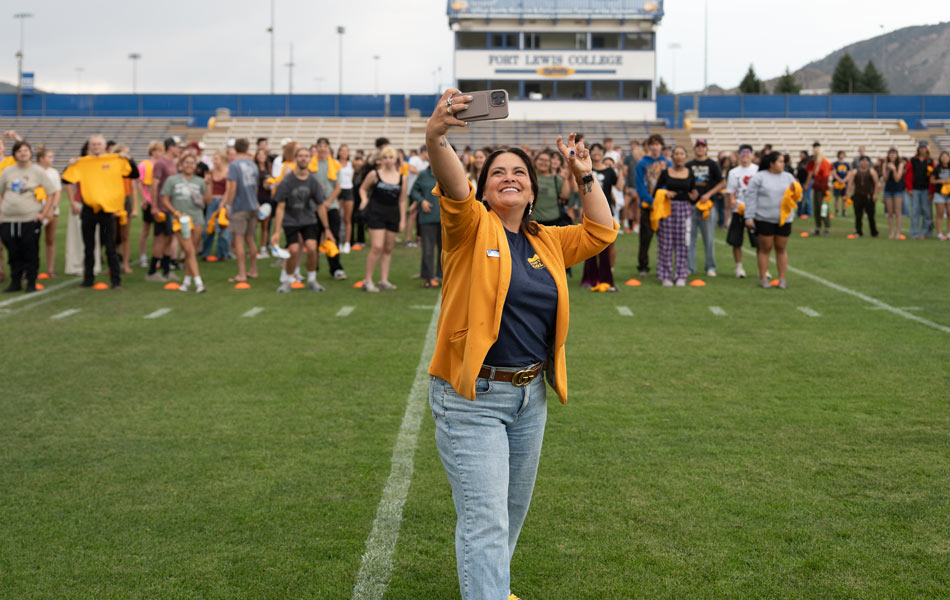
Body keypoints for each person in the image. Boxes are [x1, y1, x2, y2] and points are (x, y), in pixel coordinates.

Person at [425, 89, 616, 600]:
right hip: (473, 398)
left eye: (520, 173)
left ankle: (492, 587)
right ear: (484, 189)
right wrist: (437, 135)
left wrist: (585, 174)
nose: (509, 178)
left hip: (530, 397)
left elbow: (602, 231)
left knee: (507, 514)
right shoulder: (469, 226)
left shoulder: (545, 239)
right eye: (498, 173)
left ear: (533, 191)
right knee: (485, 519)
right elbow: (451, 183)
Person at [62, 135, 138, 289]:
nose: (96, 146)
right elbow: (66, 179)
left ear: (104, 146)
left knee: (110, 247)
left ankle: (116, 281)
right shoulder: (83, 163)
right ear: (89, 146)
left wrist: (129, 159)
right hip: (89, 210)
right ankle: (87, 280)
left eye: (98, 144)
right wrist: (69, 165)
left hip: (108, 210)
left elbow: (134, 174)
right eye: (93, 144)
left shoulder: (114, 160)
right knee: (88, 247)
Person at [270, 146, 332, 293]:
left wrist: (327, 229)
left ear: (310, 159)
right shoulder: (287, 181)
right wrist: (277, 232)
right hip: (291, 221)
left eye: (306, 156)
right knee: (293, 249)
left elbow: (321, 206)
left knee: (311, 247)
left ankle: (312, 279)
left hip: (308, 220)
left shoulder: (313, 181)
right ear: (296, 159)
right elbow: (280, 207)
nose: (303, 158)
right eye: (300, 156)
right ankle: (288, 279)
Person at [0, 140, 56, 292]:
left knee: (30, 250)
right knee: (13, 251)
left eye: (26, 150)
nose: (23, 153)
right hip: (8, 219)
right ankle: (15, 282)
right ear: (15, 154)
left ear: (30, 153)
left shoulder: (37, 171)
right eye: (19, 151)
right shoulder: (7, 171)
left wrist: (44, 213)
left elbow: (51, 192)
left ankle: (31, 282)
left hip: (30, 219)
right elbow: (1, 192)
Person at [743, 151, 800, 289]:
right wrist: (749, 217)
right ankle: (763, 278)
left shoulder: (788, 177)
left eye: (783, 161)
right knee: (765, 248)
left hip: (784, 219)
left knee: (781, 248)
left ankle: (782, 279)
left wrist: (796, 189)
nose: (783, 164)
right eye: (780, 161)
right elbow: (750, 197)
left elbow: (797, 195)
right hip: (764, 218)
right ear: (771, 164)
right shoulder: (759, 177)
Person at [358, 146, 406, 291]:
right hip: (376, 213)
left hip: (393, 214)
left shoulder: (402, 178)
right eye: (385, 157)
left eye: (390, 157)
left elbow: (402, 200)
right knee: (377, 247)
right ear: (381, 159)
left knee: (388, 248)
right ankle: (368, 281)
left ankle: (384, 280)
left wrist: (402, 220)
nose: (388, 160)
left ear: (395, 159)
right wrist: (364, 200)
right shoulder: (374, 174)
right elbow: (362, 188)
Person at [160, 154, 209, 292]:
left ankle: (186, 282)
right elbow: (165, 199)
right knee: (189, 249)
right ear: (181, 165)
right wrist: (175, 213)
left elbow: (207, 201)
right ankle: (199, 282)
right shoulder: (172, 180)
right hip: (180, 220)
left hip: (197, 219)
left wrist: (209, 184)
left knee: (190, 251)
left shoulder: (200, 181)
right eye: (186, 162)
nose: (189, 165)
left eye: (192, 163)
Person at [653, 146, 698, 286]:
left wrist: (695, 197)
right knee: (665, 244)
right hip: (668, 209)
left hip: (685, 210)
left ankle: (680, 275)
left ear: (685, 157)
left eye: (681, 153)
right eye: (676, 154)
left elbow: (693, 193)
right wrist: (665, 193)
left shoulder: (690, 173)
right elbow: (656, 191)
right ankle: (665, 275)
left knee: (683, 244)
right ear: (672, 157)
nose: (679, 156)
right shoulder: (666, 173)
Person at [581, 143, 619, 291]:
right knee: (589, 244)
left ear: (604, 153)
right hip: (589, 210)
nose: (596, 152)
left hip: (607, 211)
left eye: (599, 150)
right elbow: (582, 190)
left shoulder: (610, 171)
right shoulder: (586, 169)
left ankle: (605, 277)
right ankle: (589, 278)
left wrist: (620, 170)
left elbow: (619, 187)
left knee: (606, 244)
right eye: (594, 150)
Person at [222, 138, 261, 283]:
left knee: (238, 239)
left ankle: (242, 274)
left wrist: (228, 205)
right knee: (250, 239)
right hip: (252, 204)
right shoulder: (253, 165)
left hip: (239, 206)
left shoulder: (234, 165)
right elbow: (256, 186)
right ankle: (254, 270)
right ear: (247, 148)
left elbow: (232, 187)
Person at [634, 134, 670, 278]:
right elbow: (639, 185)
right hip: (647, 206)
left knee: (665, 239)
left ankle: (663, 266)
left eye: (658, 144)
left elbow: (670, 182)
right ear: (648, 146)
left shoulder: (668, 163)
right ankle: (643, 266)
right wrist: (650, 200)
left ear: (661, 146)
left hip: (663, 207)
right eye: (652, 144)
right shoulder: (642, 163)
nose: (655, 147)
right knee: (645, 238)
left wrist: (661, 200)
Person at [686, 138, 723, 277]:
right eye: (698, 146)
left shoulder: (712, 165)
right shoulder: (689, 165)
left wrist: (708, 194)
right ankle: (690, 267)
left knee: (709, 239)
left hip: (708, 206)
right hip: (692, 206)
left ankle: (710, 266)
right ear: (695, 148)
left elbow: (721, 183)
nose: (700, 149)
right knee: (690, 239)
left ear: (706, 148)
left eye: (703, 146)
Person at [146, 138, 181, 282]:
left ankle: (166, 271)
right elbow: (154, 185)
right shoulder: (161, 163)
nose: (179, 149)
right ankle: (152, 272)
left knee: (170, 238)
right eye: (177, 147)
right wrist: (154, 206)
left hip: (171, 208)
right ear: (171, 147)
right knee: (161, 239)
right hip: (162, 207)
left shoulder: (173, 163)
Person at [725, 144, 759, 278]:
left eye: (748, 152)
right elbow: (731, 191)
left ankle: (762, 268)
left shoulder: (758, 170)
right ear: (738, 154)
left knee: (759, 242)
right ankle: (739, 267)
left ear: (752, 155)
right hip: (739, 209)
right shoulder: (733, 172)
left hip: (755, 210)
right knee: (736, 241)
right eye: (742, 152)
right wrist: (733, 201)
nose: (745, 154)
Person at [408, 163, 442, 288]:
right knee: (428, 249)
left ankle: (442, 276)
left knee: (444, 250)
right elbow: (414, 191)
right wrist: (422, 201)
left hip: (445, 219)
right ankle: (428, 277)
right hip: (427, 218)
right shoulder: (423, 174)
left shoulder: (446, 173)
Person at [35, 146, 62, 277]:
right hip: (36, 210)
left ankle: (50, 269)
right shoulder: (33, 171)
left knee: (50, 240)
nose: (52, 159)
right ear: (41, 159)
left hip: (52, 210)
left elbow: (57, 191)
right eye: (49, 157)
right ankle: (31, 269)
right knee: (32, 241)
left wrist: (52, 207)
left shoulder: (54, 172)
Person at [201, 150, 232, 261]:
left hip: (224, 201)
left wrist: (223, 204)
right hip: (212, 200)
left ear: (222, 160)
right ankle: (205, 253)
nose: (214, 161)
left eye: (216, 159)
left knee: (224, 228)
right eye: (213, 159)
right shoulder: (211, 172)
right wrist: (208, 183)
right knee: (208, 228)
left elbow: (228, 190)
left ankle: (222, 254)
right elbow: (208, 191)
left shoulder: (228, 172)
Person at [138, 141, 161, 268]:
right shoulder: (144, 165)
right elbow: (140, 183)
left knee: (158, 231)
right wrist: (143, 199)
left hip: (159, 201)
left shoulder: (161, 164)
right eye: (158, 150)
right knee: (146, 229)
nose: (160, 153)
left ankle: (156, 256)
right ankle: (143, 256)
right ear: (152, 151)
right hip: (149, 200)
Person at [531, 150, 569, 227]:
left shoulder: (556, 179)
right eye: (541, 159)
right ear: (535, 161)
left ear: (550, 163)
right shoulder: (530, 177)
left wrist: (565, 179)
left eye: (546, 160)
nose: (543, 162)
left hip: (553, 222)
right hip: (533, 222)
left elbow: (565, 196)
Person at [846, 156, 880, 238]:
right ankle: (858, 231)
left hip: (868, 196)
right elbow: (850, 184)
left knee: (871, 215)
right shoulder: (854, 172)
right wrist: (847, 195)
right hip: (857, 195)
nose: (864, 163)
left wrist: (875, 194)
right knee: (858, 215)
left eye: (866, 161)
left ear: (868, 162)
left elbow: (876, 184)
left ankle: (874, 232)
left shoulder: (872, 171)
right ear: (859, 162)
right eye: (862, 161)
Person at [906, 141, 933, 240]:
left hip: (926, 190)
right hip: (915, 190)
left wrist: (931, 191)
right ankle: (914, 233)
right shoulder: (913, 160)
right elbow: (908, 175)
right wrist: (909, 188)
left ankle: (925, 233)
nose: (922, 149)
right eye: (921, 148)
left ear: (926, 149)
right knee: (915, 212)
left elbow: (932, 177)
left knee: (926, 212)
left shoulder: (930, 161)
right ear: (918, 149)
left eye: (924, 148)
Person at [805, 142, 833, 237]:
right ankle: (818, 227)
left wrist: (825, 191)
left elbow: (826, 177)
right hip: (816, 188)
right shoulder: (814, 163)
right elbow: (810, 173)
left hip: (823, 189)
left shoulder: (824, 163)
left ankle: (827, 228)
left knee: (823, 208)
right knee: (816, 208)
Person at [881, 148, 906, 239]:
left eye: (894, 154)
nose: (892, 155)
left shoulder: (900, 164)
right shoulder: (885, 164)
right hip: (888, 190)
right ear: (888, 155)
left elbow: (897, 179)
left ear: (897, 155)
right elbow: (885, 178)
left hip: (898, 190)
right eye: (891, 154)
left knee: (898, 211)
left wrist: (894, 169)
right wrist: (888, 169)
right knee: (890, 212)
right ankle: (891, 232)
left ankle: (898, 232)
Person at [337, 144, 356, 254]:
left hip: (348, 190)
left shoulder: (350, 164)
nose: (344, 153)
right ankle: (338, 242)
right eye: (342, 151)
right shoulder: (335, 163)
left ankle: (347, 243)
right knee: (337, 218)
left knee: (347, 219)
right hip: (338, 190)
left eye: (346, 151)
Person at [931, 150, 950, 240]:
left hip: (949, 193)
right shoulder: (937, 168)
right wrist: (941, 181)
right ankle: (939, 233)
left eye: (946, 156)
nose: (944, 158)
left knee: (949, 213)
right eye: (943, 157)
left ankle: (949, 233)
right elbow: (932, 180)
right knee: (940, 214)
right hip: (939, 193)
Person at [832, 150, 851, 217]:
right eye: (840, 154)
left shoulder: (847, 164)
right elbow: (834, 173)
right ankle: (837, 211)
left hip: (844, 183)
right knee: (837, 198)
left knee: (844, 198)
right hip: (837, 183)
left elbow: (849, 174)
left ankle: (844, 210)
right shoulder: (835, 164)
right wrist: (840, 180)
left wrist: (844, 180)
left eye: (843, 154)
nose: (841, 156)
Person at [794, 150, 811, 219]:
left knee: (807, 199)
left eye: (802, 154)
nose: (801, 155)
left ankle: (808, 213)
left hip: (805, 182)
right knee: (799, 198)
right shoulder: (800, 163)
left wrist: (807, 184)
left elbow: (809, 174)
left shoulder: (808, 163)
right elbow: (797, 173)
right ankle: (799, 212)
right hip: (800, 183)